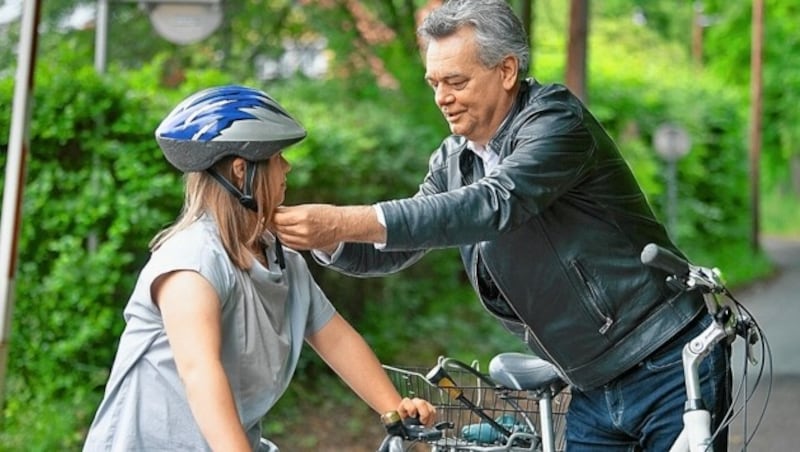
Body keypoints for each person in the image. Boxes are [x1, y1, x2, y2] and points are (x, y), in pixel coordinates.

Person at [272, 1, 731, 450]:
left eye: (455, 81)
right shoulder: (454, 159)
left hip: (666, 362)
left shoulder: (555, 122)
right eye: (434, 83)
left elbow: (494, 204)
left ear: (507, 71)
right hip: (590, 382)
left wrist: (343, 219)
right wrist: (327, 237)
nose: (441, 98)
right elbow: (395, 242)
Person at [82, 85, 434, 452]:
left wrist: (395, 410)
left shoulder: (280, 258)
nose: (288, 166)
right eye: (278, 156)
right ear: (241, 171)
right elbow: (201, 372)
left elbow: (336, 338)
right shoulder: (191, 262)